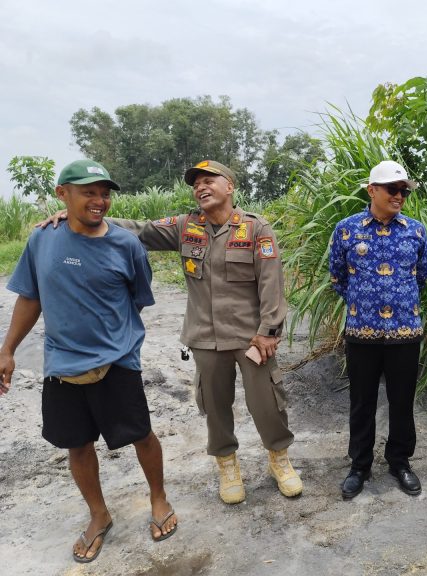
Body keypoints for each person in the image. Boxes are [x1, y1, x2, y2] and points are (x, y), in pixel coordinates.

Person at [44, 160, 301, 504]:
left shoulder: (255, 229)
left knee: (266, 402)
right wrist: (78, 218)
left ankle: (279, 459)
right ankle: (227, 464)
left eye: (210, 180)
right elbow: (139, 229)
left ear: (230, 187)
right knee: (215, 406)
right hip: (205, 338)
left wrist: (268, 331)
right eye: (196, 184)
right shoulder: (185, 226)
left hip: (250, 337)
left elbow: (272, 283)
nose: (201, 187)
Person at [0, 160, 177, 564]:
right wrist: (8, 349)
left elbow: (137, 299)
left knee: (141, 434)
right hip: (61, 365)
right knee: (77, 445)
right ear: (63, 194)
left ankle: (159, 498)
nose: (100, 201)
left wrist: (118, 343)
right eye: (89, 192)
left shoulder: (126, 245)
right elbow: (31, 297)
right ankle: (99, 514)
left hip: (117, 363)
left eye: (105, 193)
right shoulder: (41, 240)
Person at [329, 160, 427, 499]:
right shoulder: (346, 229)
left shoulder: (416, 230)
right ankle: (359, 465)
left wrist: (398, 301)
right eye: (393, 189)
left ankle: (400, 461)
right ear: (372, 190)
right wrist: (363, 302)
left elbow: (422, 276)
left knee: (402, 401)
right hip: (362, 333)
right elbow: (338, 276)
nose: (399, 195)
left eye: (403, 190)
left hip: (405, 332)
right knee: (362, 402)